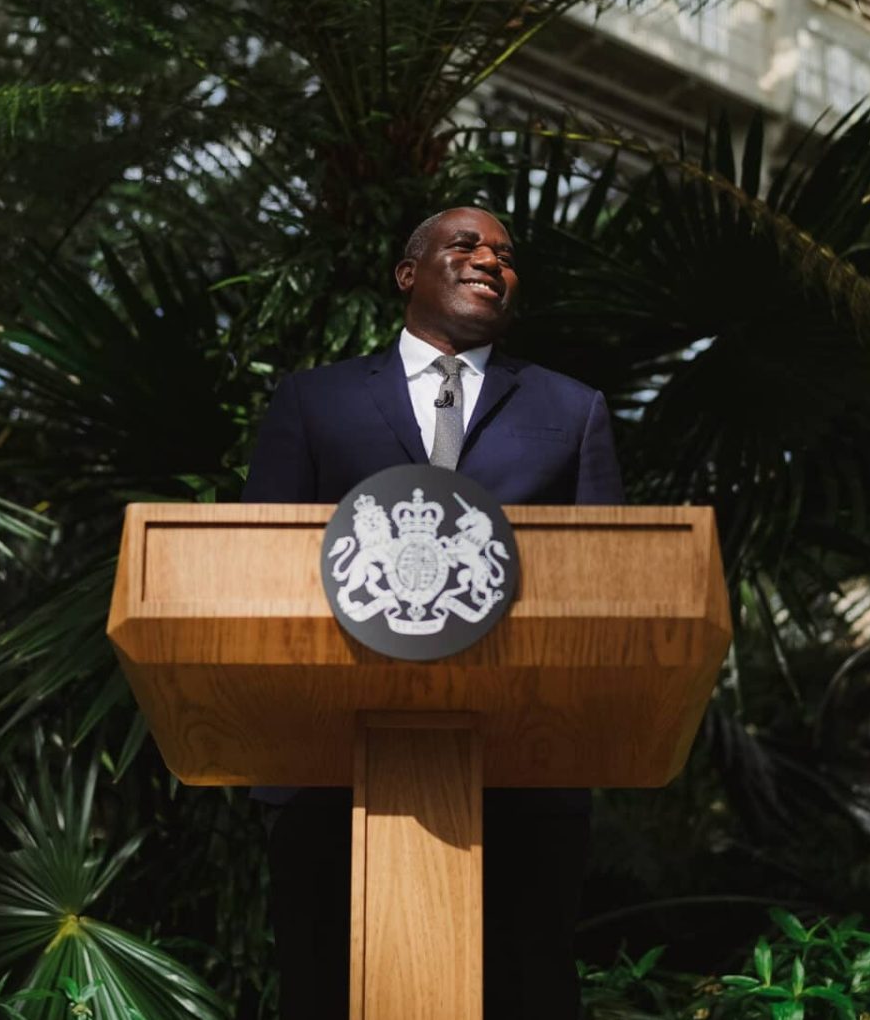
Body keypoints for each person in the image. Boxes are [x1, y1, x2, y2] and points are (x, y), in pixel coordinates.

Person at [243, 205, 622, 1020]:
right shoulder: (315, 401)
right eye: (466, 244)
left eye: (507, 254)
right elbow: (258, 566)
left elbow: (609, 581)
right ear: (408, 273)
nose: (491, 258)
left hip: (522, 773)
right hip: (331, 771)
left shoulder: (573, 408)